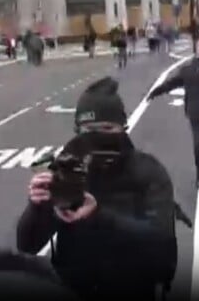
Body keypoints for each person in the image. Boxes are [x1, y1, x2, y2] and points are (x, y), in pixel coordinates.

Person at [17, 77, 177, 301]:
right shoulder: (65, 170)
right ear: (78, 130)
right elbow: (27, 245)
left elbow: (163, 247)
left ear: (123, 127)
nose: (98, 137)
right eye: (89, 130)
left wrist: (97, 214)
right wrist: (37, 207)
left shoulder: (147, 171)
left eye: (107, 128)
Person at [147, 29, 199, 188]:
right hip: (195, 112)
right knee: (197, 145)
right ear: (196, 49)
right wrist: (155, 92)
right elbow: (171, 83)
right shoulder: (187, 69)